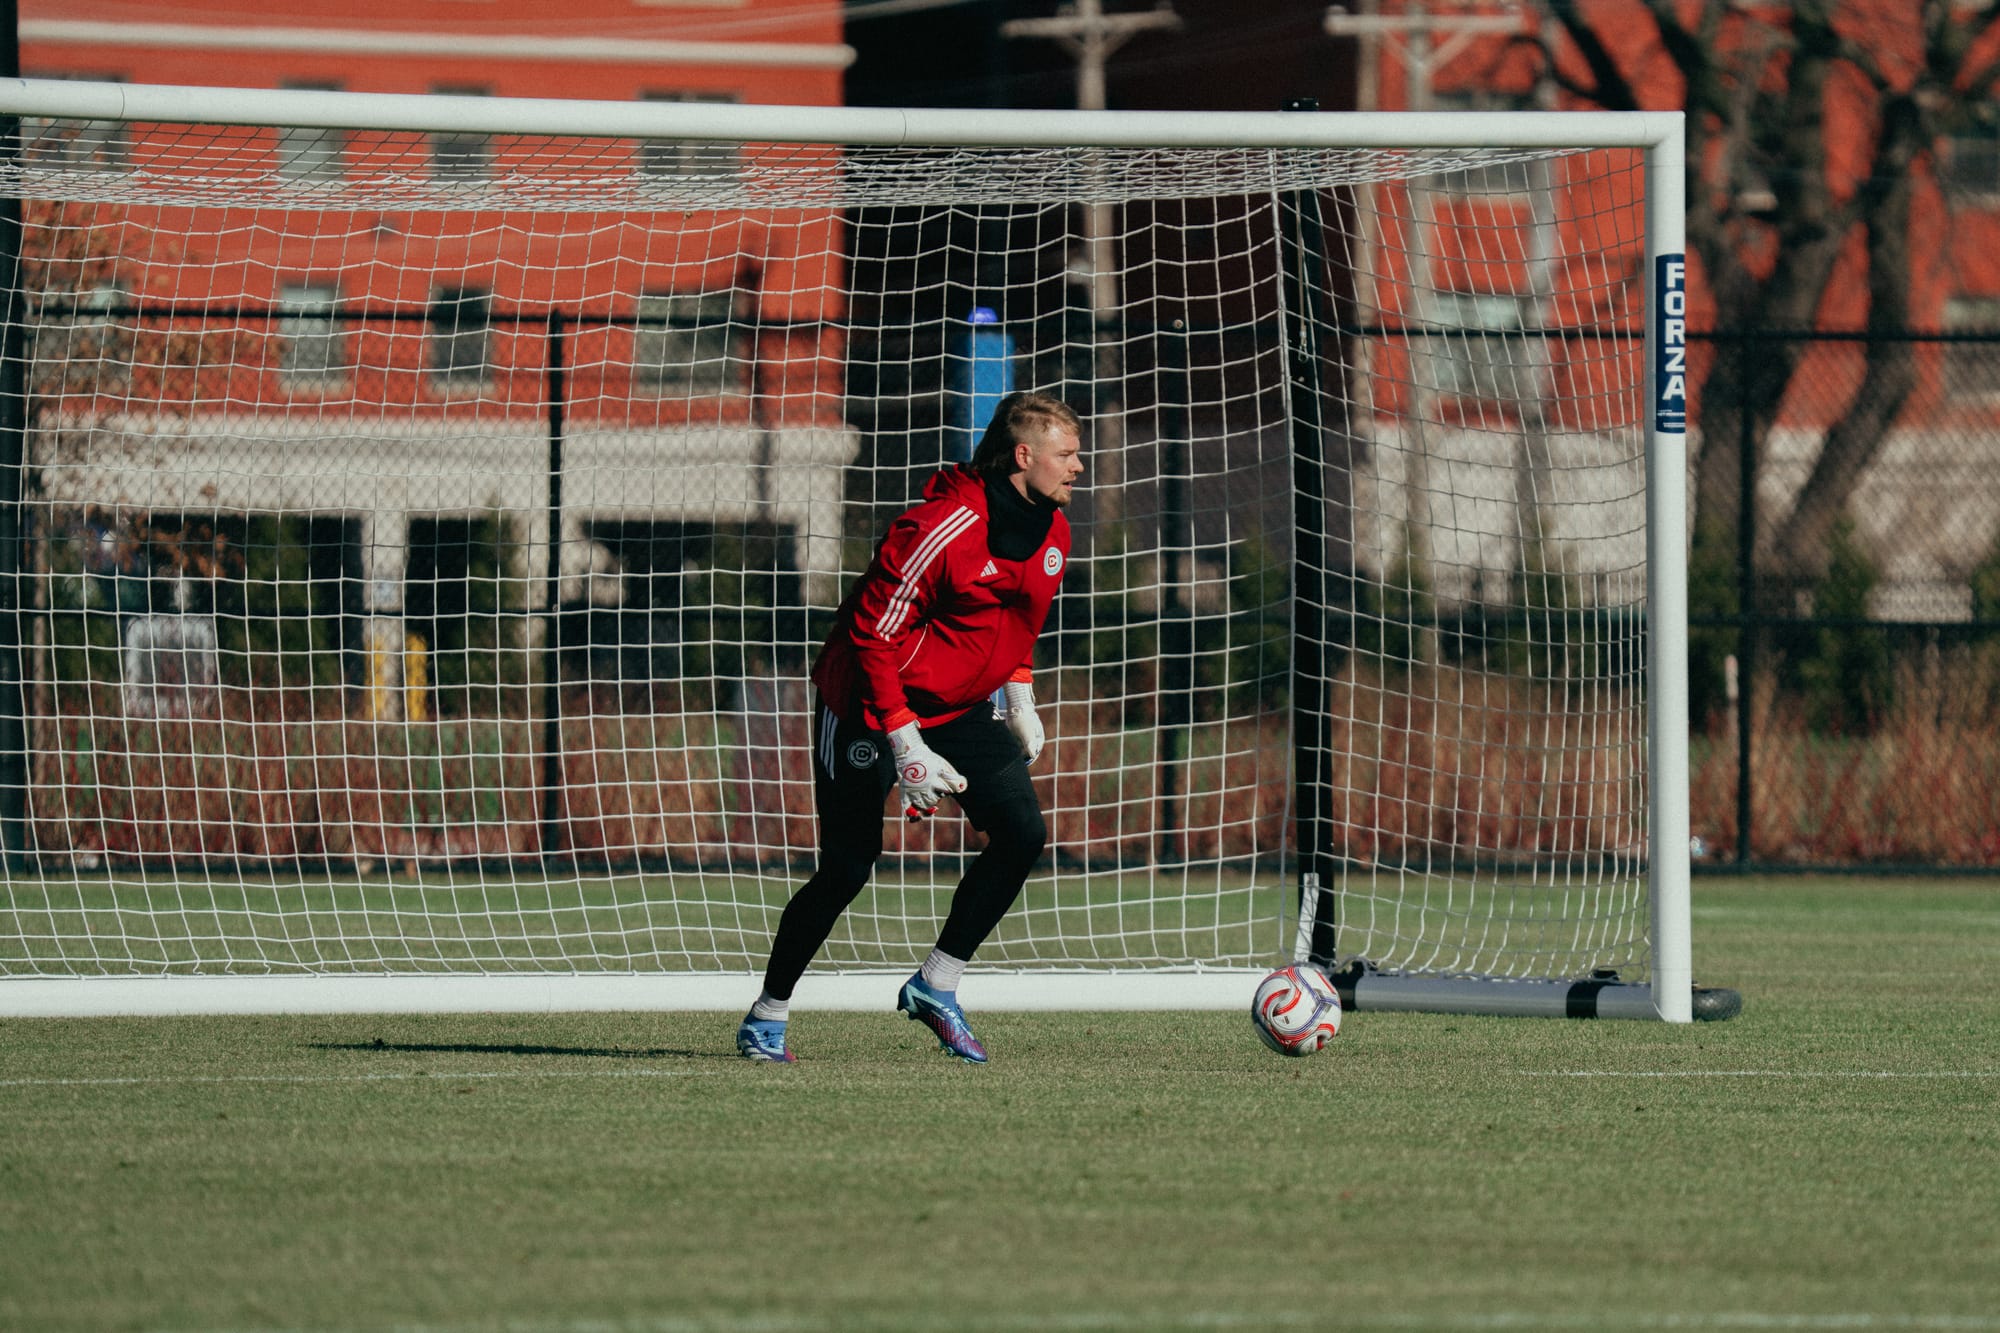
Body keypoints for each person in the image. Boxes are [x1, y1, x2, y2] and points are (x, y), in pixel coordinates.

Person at [736, 391, 1085, 1064]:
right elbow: (870, 635)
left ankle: (936, 984)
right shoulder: (941, 527)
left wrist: (1020, 696)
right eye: (1066, 454)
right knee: (846, 867)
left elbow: (1014, 625)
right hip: (868, 700)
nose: (1079, 466)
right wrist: (904, 742)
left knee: (1023, 832)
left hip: (957, 707)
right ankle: (767, 1015)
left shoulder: (1054, 531)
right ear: (1024, 455)